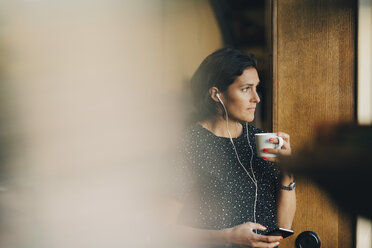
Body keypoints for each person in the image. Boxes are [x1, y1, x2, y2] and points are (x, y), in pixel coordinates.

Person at [167, 48, 296, 248]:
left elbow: (284, 226)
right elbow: (163, 229)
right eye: (246, 89)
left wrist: (288, 171)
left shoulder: (260, 140)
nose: (257, 98)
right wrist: (228, 236)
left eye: (256, 88)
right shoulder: (186, 146)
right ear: (216, 94)